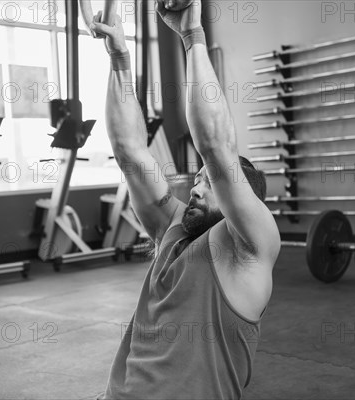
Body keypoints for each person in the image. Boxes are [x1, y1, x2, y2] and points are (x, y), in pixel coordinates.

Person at [91, 2, 281, 399]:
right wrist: (120, 59)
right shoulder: (172, 231)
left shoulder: (249, 249)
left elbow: (215, 146)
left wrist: (192, 36)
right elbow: (129, 150)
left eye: (208, 182)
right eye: (195, 180)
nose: (195, 189)